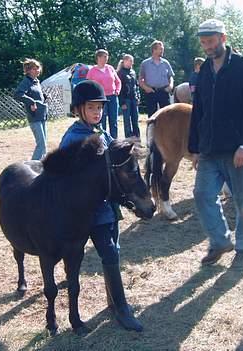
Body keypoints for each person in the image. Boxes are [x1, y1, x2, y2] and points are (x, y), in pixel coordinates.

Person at [60, 80, 143, 332]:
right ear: (78, 109)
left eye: (100, 108)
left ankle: (112, 300)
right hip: (88, 212)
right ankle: (121, 309)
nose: (98, 112)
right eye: (92, 108)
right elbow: (68, 175)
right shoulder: (73, 138)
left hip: (108, 206)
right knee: (109, 252)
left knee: (113, 249)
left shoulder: (103, 133)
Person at [188, 19, 243, 268]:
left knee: (242, 200)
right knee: (201, 194)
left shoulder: (242, 66)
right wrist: (195, 148)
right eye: (203, 43)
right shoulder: (204, 71)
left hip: (235, 149)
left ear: (223, 38)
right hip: (208, 148)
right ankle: (220, 240)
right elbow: (199, 111)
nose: (207, 46)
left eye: (210, 41)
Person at [14, 58, 49, 160]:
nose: (37, 70)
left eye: (38, 68)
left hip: (41, 114)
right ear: (28, 70)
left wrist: (44, 96)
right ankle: (32, 166)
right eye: (34, 68)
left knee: (44, 144)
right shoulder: (26, 81)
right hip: (34, 116)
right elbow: (18, 94)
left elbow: (35, 94)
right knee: (41, 144)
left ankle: (43, 165)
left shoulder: (36, 81)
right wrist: (31, 102)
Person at [86, 49, 121, 138]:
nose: (106, 58)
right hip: (99, 99)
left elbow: (118, 81)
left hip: (112, 97)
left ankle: (114, 140)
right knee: (101, 120)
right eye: (104, 56)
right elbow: (88, 84)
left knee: (114, 120)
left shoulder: (110, 68)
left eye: (107, 56)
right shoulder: (92, 70)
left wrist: (117, 90)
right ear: (98, 57)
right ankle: (102, 140)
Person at [139, 40, 175, 118]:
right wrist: (146, 88)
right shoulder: (145, 63)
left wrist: (170, 86)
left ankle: (166, 130)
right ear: (154, 50)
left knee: (167, 115)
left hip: (164, 91)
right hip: (151, 92)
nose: (162, 50)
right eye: (161, 49)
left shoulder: (166, 63)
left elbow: (171, 76)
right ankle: (152, 130)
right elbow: (140, 79)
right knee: (152, 116)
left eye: (162, 49)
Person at [117, 54, 140, 138]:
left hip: (134, 98)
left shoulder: (133, 72)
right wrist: (122, 102)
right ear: (124, 61)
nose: (131, 63)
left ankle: (137, 137)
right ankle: (129, 138)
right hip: (125, 99)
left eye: (132, 61)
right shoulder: (120, 73)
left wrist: (138, 97)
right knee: (127, 120)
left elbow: (136, 85)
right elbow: (120, 88)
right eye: (130, 60)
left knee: (135, 118)